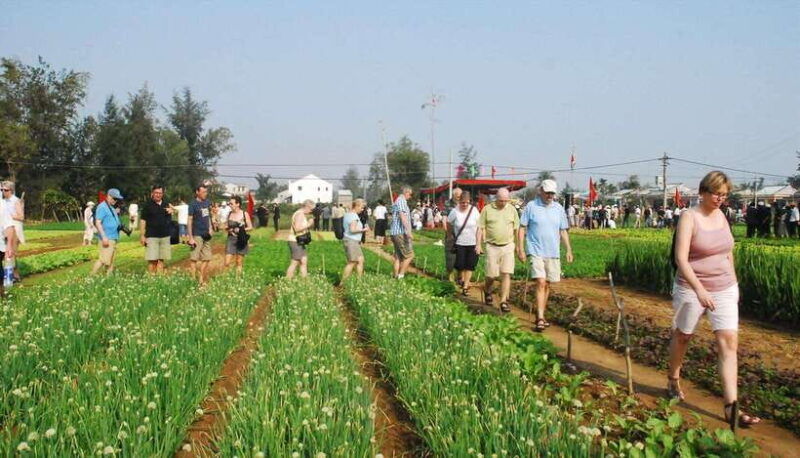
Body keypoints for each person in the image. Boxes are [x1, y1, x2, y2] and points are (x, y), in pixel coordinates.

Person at [668, 171, 760, 429]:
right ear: (703, 192)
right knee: (683, 335)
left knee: (728, 342)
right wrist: (699, 290)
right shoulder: (690, 217)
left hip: (724, 287)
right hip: (691, 286)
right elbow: (681, 260)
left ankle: (732, 405)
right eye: (716, 193)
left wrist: (735, 284)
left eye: (724, 194)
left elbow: (727, 251)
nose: (720, 198)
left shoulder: (722, 216)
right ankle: (673, 378)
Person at [517, 180, 573, 331]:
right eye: (547, 192)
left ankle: (540, 314)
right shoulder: (531, 206)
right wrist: (520, 248)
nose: (550, 195)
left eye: (552, 193)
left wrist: (568, 249)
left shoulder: (559, 208)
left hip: (553, 252)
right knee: (540, 282)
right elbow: (522, 228)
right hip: (535, 250)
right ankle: (540, 317)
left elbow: (563, 231)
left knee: (547, 283)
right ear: (540, 191)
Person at [476, 187, 519, 312]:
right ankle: (487, 289)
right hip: (492, 246)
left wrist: (519, 247)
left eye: (506, 201)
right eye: (501, 201)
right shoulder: (487, 209)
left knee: (506, 273)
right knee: (491, 275)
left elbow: (516, 229)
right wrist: (478, 244)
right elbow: (480, 228)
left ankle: (503, 301)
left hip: (508, 245)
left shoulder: (512, 210)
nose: (504, 203)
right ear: (496, 199)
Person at [448, 191, 479, 296]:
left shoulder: (474, 210)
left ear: (469, 201)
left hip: (472, 242)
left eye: (466, 202)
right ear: (459, 201)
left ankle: (465, 286)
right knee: (460, 264)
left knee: (470, 265)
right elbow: (449, 222)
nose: (464, 204)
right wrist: (450, 234)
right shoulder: (455, 211)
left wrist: (479, 243)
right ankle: (460, 278)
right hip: (460, 242)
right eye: (462, 202)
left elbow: (479, 226)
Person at [139, 185, 174, 274]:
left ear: (162, 194)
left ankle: (160, 280)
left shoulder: (166, 204)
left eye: (160, 193)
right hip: (152, 236)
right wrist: (142, 235)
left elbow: (173, 214)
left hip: (164, 236)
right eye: (156, 193)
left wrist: (173, 211)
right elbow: (143, 220)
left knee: (161, 259)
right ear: (152, 194)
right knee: (152, 260)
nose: (158, 195)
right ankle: (152, 280)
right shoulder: (147, 205)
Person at [91, 188, 124, 276]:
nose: (115, 201)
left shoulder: (111, 207)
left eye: (117, 199)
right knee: (103, 260)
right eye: (114, 198)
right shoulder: (102, 207)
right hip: (107, 237)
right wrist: (104, 237)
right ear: (108, 196)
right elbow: (98, 222)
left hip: (113, 237)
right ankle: (91, 276)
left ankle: (108, 279)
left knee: (111, 261)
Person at [188, 184, 214, 285]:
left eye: (206, 192)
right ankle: (193, 280)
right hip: (196, 234)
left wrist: (210, 227)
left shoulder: (207, 202)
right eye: (203, 192)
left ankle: (201, 277)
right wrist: (190, 237)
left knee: (207, 258)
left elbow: (208, 216)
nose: (205, 194)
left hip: (206, 234)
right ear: (197, 192)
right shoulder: (193, 204)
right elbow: (189, 220)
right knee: (194, 258)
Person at [341, 198, 370, 281]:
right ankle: (342, 283)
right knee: (352, 261)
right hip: (351, 241)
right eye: (361, 207)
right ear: (356, 206)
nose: (362, 209)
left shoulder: (348, 214)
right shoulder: (353, 216)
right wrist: (363, 230)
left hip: (351, 240)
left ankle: (359, 281)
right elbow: (352, 230)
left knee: (360, 260)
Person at [389, 187, 415, 279]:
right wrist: (408, 231)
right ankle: (401, 276)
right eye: (410, 194)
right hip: (400, 232)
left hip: (395, 232)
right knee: (409, 255)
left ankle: (395, 276)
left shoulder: (397, 201)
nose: (410, 196)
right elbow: (402, 217)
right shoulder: (401, 201)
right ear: (406, 192)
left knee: (398, 256)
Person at [225, 195, 253, 275]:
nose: (230, 205)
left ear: (238, 204)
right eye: (229, 203)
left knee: (239, 261)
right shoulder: (229, 214)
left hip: (241, 239)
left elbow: (250, 227)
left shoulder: (244, 214)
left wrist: (241, 229)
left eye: (231, 203)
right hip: (231, 239)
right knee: (227, 262)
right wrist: (227, 228)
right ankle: (227, 279)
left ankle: (237, 280)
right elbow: (227, 226)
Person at [286, 199, 314, 278]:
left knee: (304, 261)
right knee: (295, 262)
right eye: (311, 209)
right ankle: (287, 281)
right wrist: (308, 224)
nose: (311, 211)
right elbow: (297, 228)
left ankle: (304, 282)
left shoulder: (300, 214)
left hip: (299, 241)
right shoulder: (299, 214)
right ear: (307, 207)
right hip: (295, 241)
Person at [443, 187, 464, 284]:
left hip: (463, 235)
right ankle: (450, 277)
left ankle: (461, 277)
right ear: (453, 195)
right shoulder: (448, 204)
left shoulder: (464, 204)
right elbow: (444, 218)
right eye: (457, 196)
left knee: (461, 256)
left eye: (460, 196)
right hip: (451, 234)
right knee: (450, 256)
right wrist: (448, 233)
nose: (459, 198)